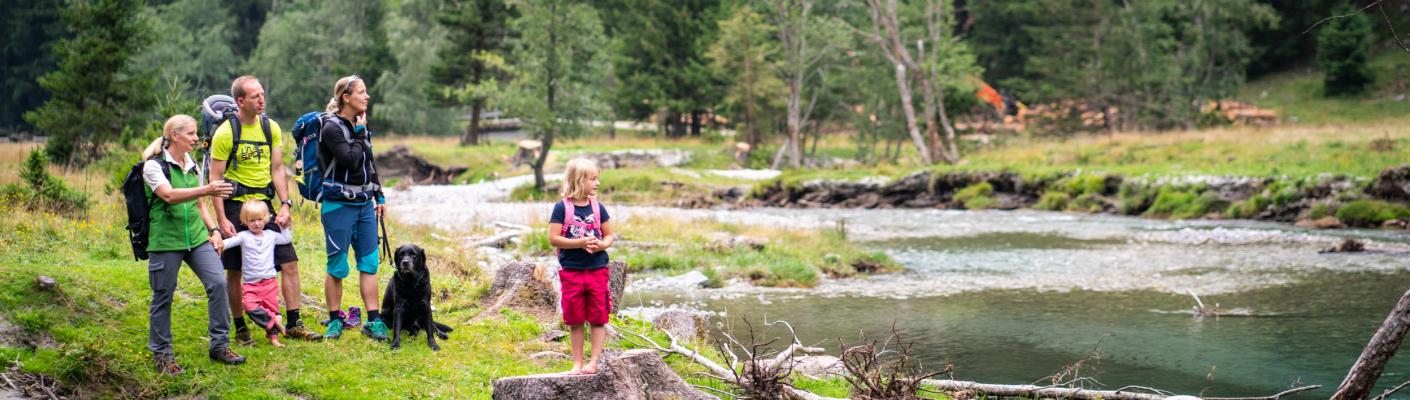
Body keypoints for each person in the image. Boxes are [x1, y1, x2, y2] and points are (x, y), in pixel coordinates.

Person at [209, 75, 323, 344]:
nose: (262, 100)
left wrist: (285, 204)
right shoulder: (226, 133)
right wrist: (222, 220)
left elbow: (276, 169)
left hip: (265, 206)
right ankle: (240, 327)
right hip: (236, 206)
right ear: (240, 101)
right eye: (255, 96)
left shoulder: (270, 128)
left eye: (262, 94)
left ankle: (294, 322)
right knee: (235, 270)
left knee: (289, 260)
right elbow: (215, 180)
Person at [142, 114, 244, 375]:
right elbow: (169, 196)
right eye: (190, 134)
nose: (196, 138)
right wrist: (207, 189)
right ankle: (163, 356)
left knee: (218, 283)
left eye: (196, 133)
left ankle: (220, 346)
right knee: (163, 297)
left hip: (197, 238)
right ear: (174, 135)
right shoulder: (154, 166)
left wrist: (214, 230)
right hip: (165, 241)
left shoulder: (191, 163)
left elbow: (199, 205)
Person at [317, 75, 389, 340]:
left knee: (369, 263)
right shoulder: (331, 127)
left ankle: (373, 320)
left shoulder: (361, 126)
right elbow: (348, 160)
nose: (367, 96)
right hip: (338, 206)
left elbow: (367, 163)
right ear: (346, 98)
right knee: (337, 265)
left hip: (364, 205)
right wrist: (359, 133)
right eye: (362, 92)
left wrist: (379, 195)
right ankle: (335, 320)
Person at [547, 158, 615, 375]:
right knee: (575, 319)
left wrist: (600, 245)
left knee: (598, 318)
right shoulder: (561, 208)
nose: (597, 183)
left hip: (597, 271)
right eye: (592, 179)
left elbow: (609, 235)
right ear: (578, 181)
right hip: (571, 273)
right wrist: (580, 243)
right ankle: (577, 363)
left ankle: (593, 361)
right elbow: (554, 239)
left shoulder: (598, 208)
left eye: (598, 179)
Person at [224, 201, 294, 348]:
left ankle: (274, 338)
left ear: (266, 219)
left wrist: (284, 227)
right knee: (249, 307)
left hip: (269, 282)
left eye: (259, 220)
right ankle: (275, 322)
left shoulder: (271, 235)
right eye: (252, 220)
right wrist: (216, 241)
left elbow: (286, 239)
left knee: (270, 310)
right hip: (251, 283)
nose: (256, 224)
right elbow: (227, 244)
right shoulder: (243, 236)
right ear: (244, 221)